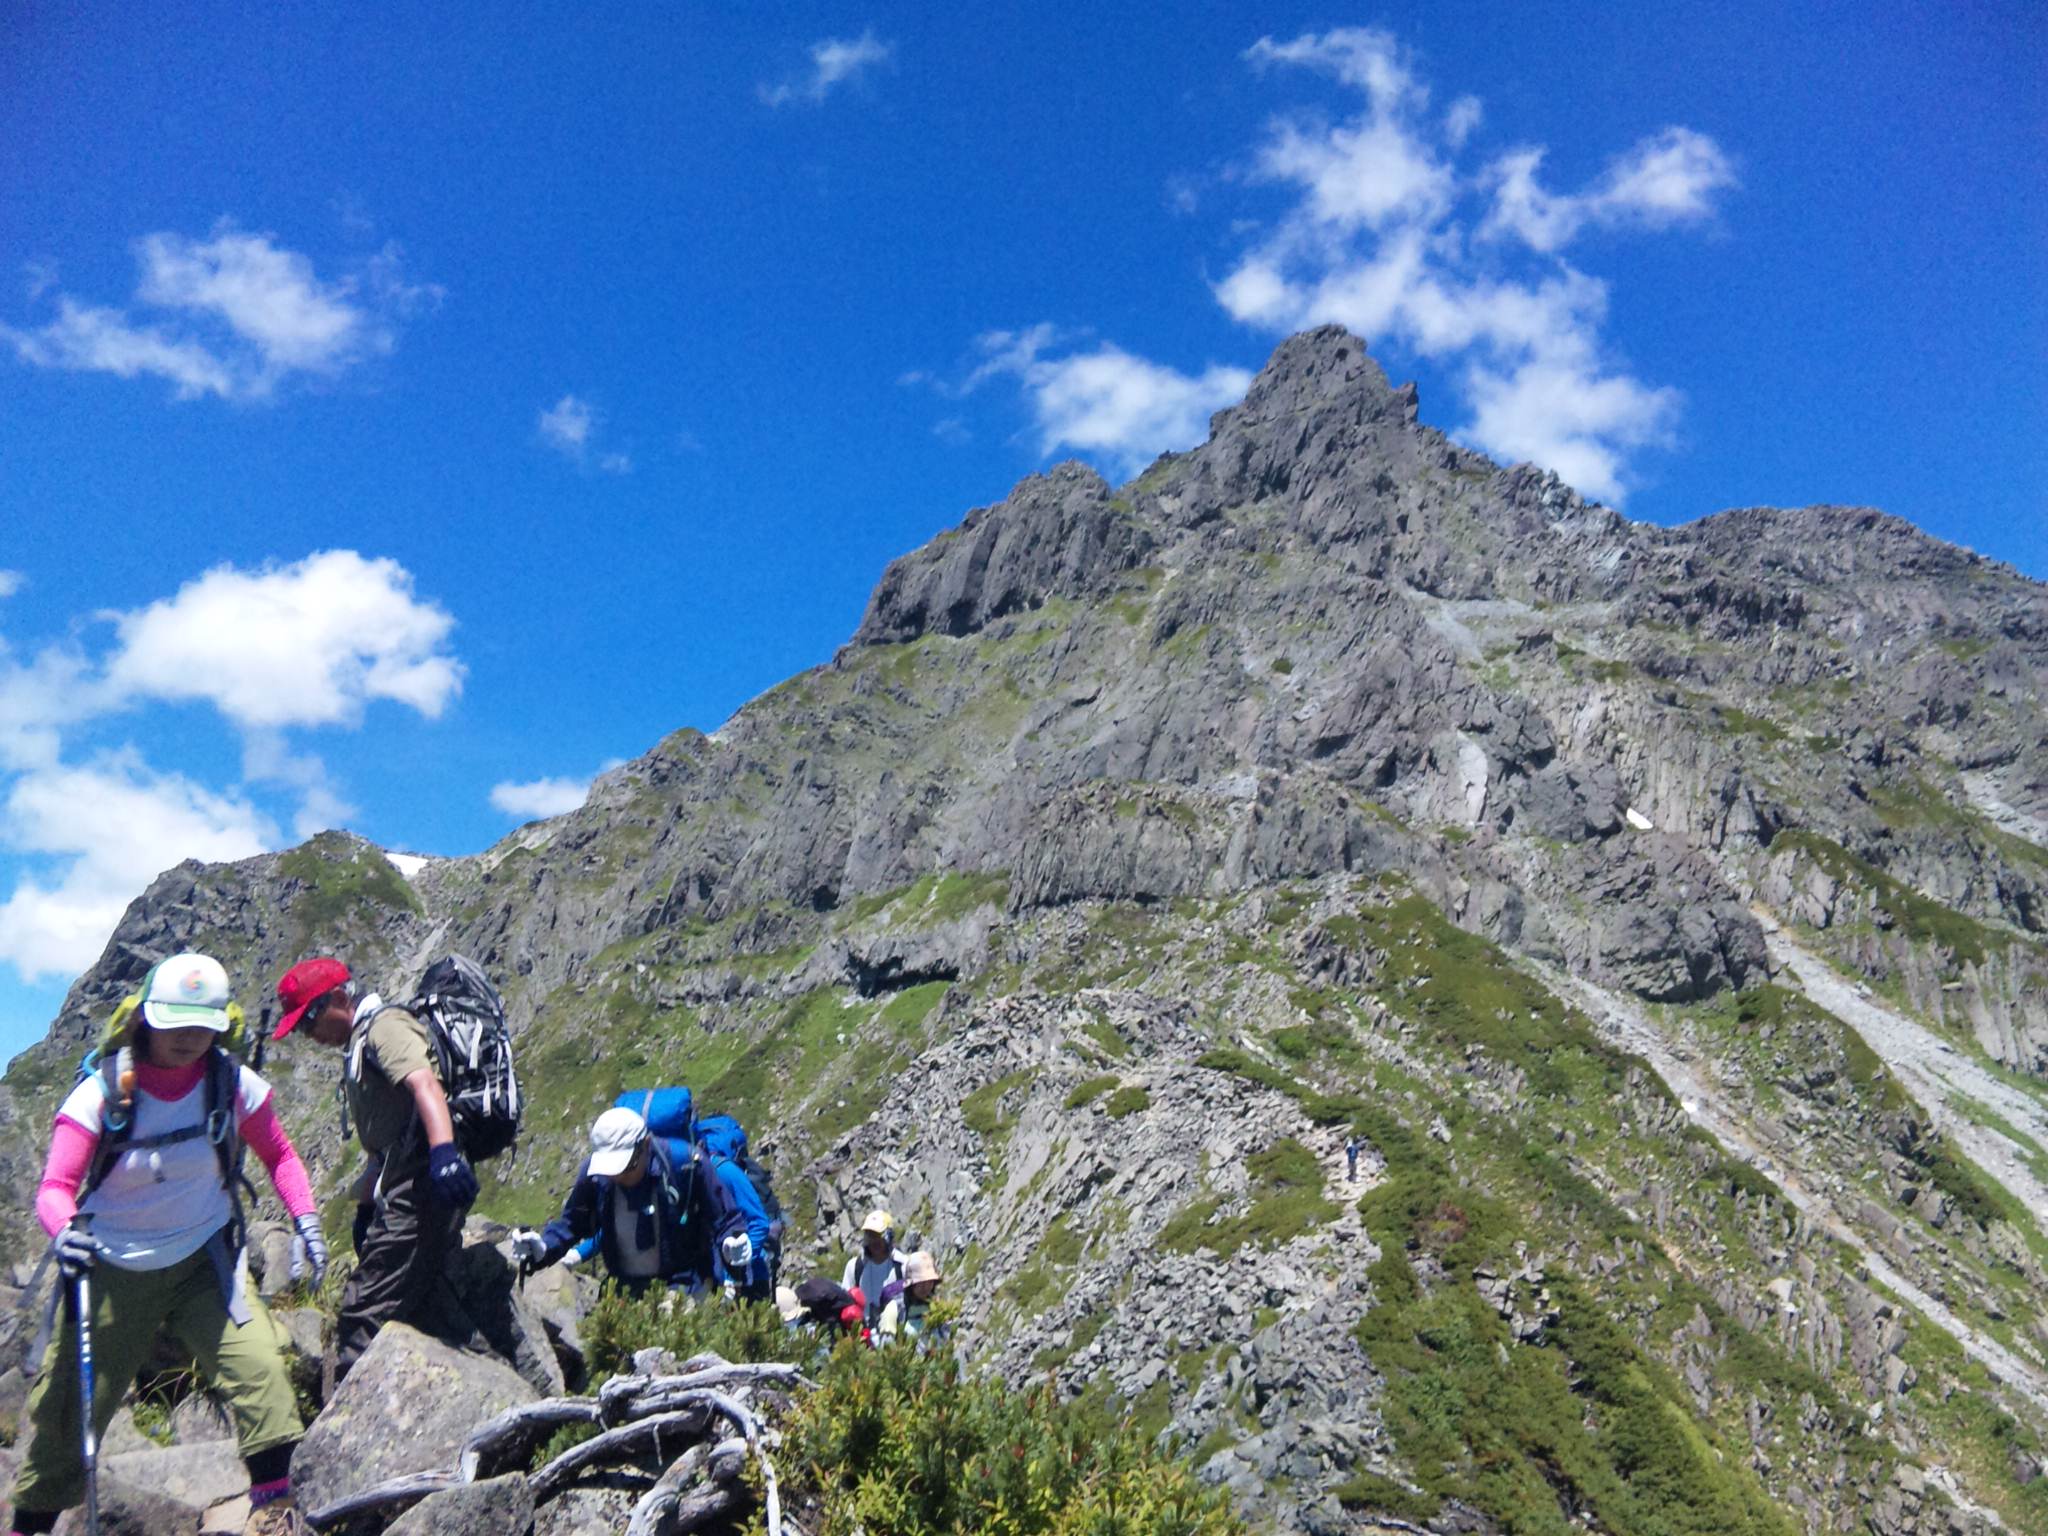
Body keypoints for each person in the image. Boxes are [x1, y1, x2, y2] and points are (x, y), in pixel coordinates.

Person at [9, 953, 326, 1536]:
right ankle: (29, 1526)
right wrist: (65, 1230)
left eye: (201, 1025)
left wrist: (305, 1219)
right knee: (69, 1412)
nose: (188, 1038)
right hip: (111, 1267)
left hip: (204, 1260)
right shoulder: (101, 1093)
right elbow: (55, 1188)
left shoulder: (233, 1083)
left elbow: (279, 1155)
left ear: (221, 1024)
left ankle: (274, 1511)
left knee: (260, 1372)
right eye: (175, 1022)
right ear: (146, 1019)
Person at [272, 956, 479, 1380]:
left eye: (310, 1019)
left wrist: (443, 1155)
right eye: (301, 1028)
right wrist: (366, 1209)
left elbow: (425, 1084)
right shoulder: (360, 1044)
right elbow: (380, 1145)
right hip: (402, 1182)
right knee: (419, 1300)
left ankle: (356, 1413)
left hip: (422, 1182)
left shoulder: (384, 1028)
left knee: (362, 1308)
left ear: (338, 998)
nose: (310, 1035)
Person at [509, 1108, 715, 1292]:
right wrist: (542, 1249)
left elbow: (725, 1220)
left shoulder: (686, 1164)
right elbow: (572, 1224)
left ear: (646, 1144)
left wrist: (732, 1274)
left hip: (682, 1286)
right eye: (612, 1169)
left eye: (627, 1166)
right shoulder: (595, 1177)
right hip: (623, 1287)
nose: (619, 1176)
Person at [697, 1118, 776, 1300]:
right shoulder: (701, 1170)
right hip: (717, 1278)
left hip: (748, 1278)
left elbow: (759, 1223)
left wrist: (736, 1272)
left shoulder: (724, 1170)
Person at [840, 1208, 905, 1328]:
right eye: (870, 1235)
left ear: (888, 1236)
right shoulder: (855, 1267)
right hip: (864, 1333)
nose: (874, 1240)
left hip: (896, 1331)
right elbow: (845, 1300)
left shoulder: (902, 1265)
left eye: (878, 1235)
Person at [877, 1250, 945, 1349]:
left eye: (929, 1282)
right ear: (911, 1284)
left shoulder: (936, 1307)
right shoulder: (894, 1309)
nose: (925, 1287)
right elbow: (887, 1351)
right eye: (921, 1282)